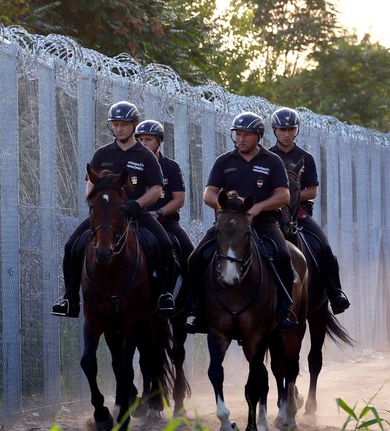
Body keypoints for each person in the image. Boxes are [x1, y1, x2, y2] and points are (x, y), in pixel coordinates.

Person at [52, 101, 176, 318]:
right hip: (105, 216)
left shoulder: (145, 155)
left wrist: (136, 204)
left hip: (136, 214)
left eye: (124, 125)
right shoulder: (102, 153)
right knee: (72, 244)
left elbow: (156, 189)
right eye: (115, 125)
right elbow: (91, 182)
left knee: (164, 244)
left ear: (134, 125)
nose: (119, 129)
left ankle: (164, 294)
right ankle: (69, 297)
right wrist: (92, 199)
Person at [185, 111, 298, 332]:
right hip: (229, 224)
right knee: (196, 257)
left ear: (258, 136)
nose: (241, 139)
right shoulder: (224, 161)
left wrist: (257, 208)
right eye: (237, 134)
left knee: (284, 255)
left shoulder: (272, 161)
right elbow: (209, 194)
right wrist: (225, 210)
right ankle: (196, 310)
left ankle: (284, 309)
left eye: (247, 135)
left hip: (263, 222)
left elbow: (283, 195)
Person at [269, 107, 350, 314]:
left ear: (296, 130)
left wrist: (291, 198)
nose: (286, 133)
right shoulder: (267, 157)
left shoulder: (306, 157)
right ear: (275, 130)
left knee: (324, 247)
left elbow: (312, 191)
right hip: (272, 213)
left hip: (301, 214)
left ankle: (335, 293)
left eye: (291, 129)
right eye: (282, 129)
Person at [134, 120, 194, 294]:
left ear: (159, 141)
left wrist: (158, 212)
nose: (144, 144)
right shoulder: (131, 164)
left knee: (190, 255)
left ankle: (192, 302)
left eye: (148, 139)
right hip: (135, 220)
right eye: (140, 140)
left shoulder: (171, 167)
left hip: (166, 222)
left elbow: (179, 199)